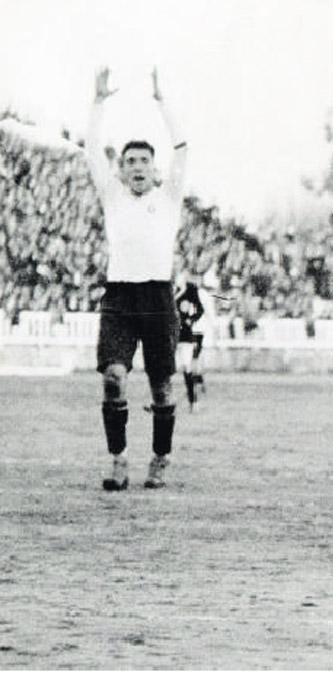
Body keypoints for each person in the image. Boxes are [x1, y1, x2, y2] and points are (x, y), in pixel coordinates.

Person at [86, 66, 188, 491]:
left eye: (145, 160)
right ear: (122, 170)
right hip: (120, 298)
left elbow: (181, 146)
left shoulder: (168, 197)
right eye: (130, 161)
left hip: (158, 297)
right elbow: (92, 148)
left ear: (154, 167)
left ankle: (160, 458)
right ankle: (118, 460)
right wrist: (98, 102)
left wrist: (163, 102)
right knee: (113, 377)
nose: (138, 166)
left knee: (162, 386)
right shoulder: (112, 196)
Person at [176, 274, 207, 412]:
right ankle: (161, 402)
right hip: (168, 334)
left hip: (184, 334)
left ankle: (193, 401)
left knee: (186, 367)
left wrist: (191, 319)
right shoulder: (165, 287)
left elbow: (200, 309)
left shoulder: (190, 289)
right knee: (164, 368)